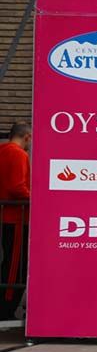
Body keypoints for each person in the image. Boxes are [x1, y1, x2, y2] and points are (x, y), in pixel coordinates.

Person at [0, 122, 31, 319]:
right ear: (26, 137)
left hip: (7, 216)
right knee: (15, 266)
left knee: (10, 262)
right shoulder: (18, 154)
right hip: (16, 218)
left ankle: (6, 307)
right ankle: (6, 309)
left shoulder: (3, 151)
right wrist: (37, 198)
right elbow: (17, 187)